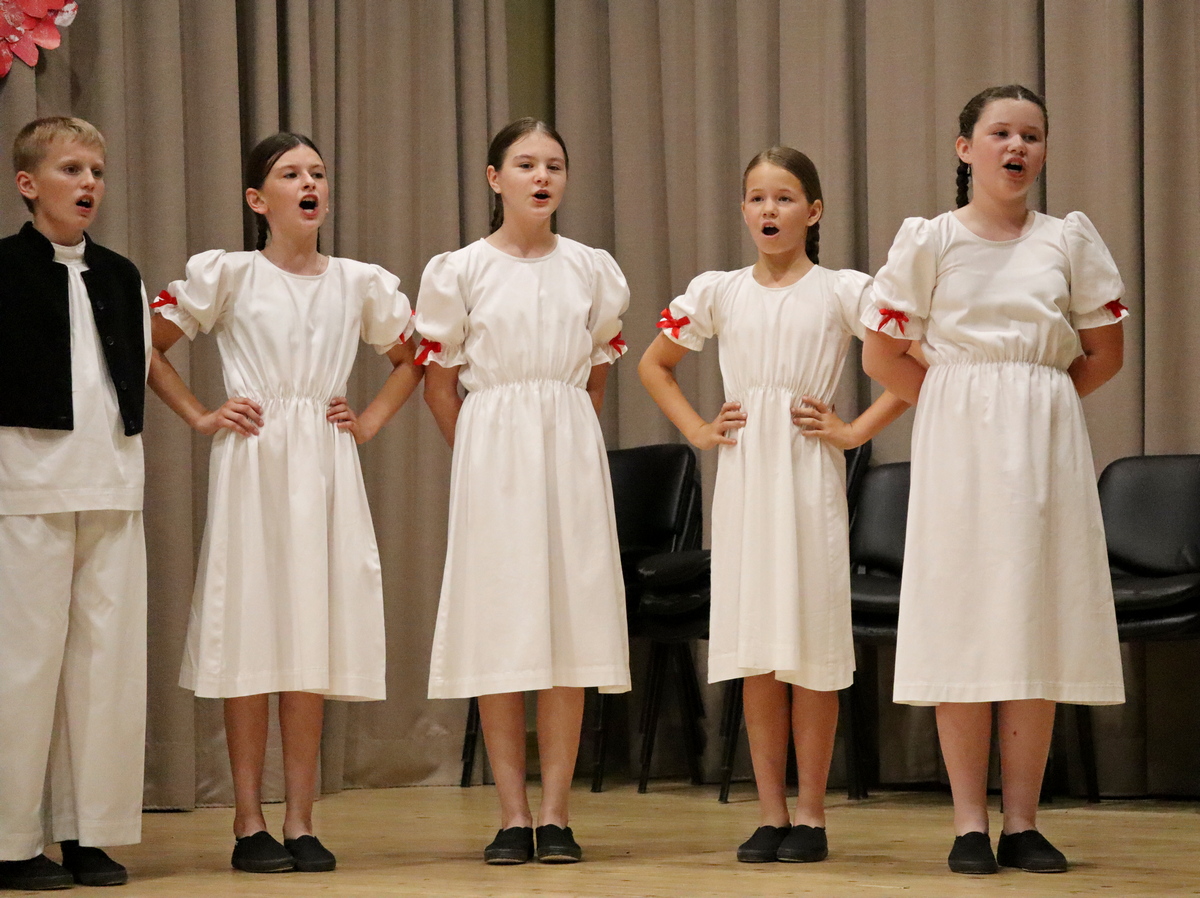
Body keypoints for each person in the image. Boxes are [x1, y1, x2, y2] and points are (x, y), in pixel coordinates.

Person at [861, 84, 1126, 875]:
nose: (1017, 147)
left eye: (1031, 136)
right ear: (965, 147)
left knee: (1032, 620)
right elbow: (881, 355)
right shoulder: (931, 241)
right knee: (964, 621)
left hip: (1044, 448)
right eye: (1001, 132)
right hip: (959, 450)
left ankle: (1023, 822)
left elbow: (1103, 353)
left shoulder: (1066, 241)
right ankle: (969, 824)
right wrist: (960, 402)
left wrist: (1034, 402)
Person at [148, 132, 421, 874]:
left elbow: (413, 359)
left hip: (324, 465)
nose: (310, 184)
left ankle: (301, 818)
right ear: (256, 198)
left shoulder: (359, 283)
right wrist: (201, 414)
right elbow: (148, 344)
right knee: (251, 637)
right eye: (292, 174)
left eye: (318, 173)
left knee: (309, 638)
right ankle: (248, 820)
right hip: (256, 462)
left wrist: (368, 420)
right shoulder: (230, 275)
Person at [639, 146, 909, 864]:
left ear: (813, 212)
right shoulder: (719, 292)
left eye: (785, 198)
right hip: (745, 479)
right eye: (757, 198)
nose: (769, 210)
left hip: (808, 477)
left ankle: (812, 815)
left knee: (811, 650)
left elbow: (913, 361)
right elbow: (654, 364)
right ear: (743, 210)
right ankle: (769, 812)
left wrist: (853, 431)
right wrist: (699, 430)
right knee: (758, 649)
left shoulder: (844, 290)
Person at [417, 118, 630, 866]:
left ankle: (557, 813)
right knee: (501, 632)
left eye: (555, 165)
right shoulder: (460, 270)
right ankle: (512, 815)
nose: (542, 177)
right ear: (494, 178)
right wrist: (484, 454)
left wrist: (563, 438)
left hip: (568, 453)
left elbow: (596, 375)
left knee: (566, 632)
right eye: (526, 164)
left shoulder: (591, 269)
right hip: (494, 459)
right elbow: (439, 386)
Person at [0, 117, 149, 891]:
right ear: (28, 184)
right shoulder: (1, 270)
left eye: (96, 169)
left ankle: (90, 832)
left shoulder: (122, 276)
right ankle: (9, 840)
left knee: (106, 669)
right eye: (70, 169)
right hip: (25, 488)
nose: (88, 182)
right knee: (22, 669)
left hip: (114, 487)